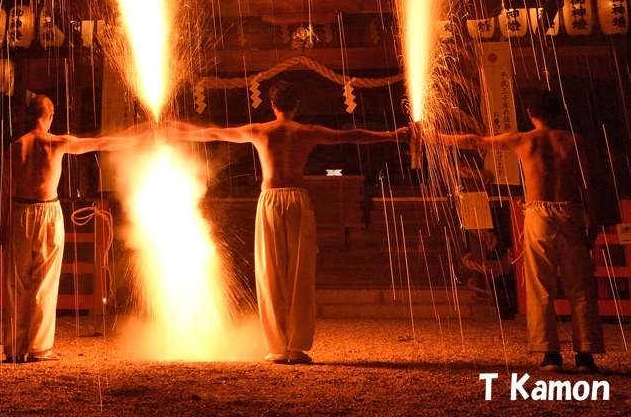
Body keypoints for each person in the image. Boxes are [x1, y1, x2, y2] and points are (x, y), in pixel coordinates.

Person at [168, 80, 409, 364]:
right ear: (296, 106)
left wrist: (176, 132)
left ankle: (278, 348)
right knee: (299, 274)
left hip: (270, 199)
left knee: (270, 272)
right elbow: (350, 136)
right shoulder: (306, 131)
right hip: (296, 200)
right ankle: (294, 347)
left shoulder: (259, 131)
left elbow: (214, 133)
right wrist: (391, 135)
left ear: (271, 105)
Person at [438, 87, 604, 374]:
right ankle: (585, 355)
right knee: (581, 287)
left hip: (539, 214)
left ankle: (550, 356)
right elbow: (589, 183)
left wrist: (436, 137)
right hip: (571, 212)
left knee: (540, 286)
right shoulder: (575, 141)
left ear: (529, 114)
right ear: (560, 112)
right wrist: (595, 220)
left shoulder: (523, 140)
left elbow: (477, 141)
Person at [0, 94, 143, 363]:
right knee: (45, 281)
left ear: (29, 116)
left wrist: (2, 228)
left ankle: (14, 349)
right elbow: (99, 142)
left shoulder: (15, 148)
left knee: (16, 285)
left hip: (19, 213)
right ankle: (39, 348)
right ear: (50, 117)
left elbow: (4, 193)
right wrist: (137, 137)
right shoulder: (56, 143)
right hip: (49, 212)